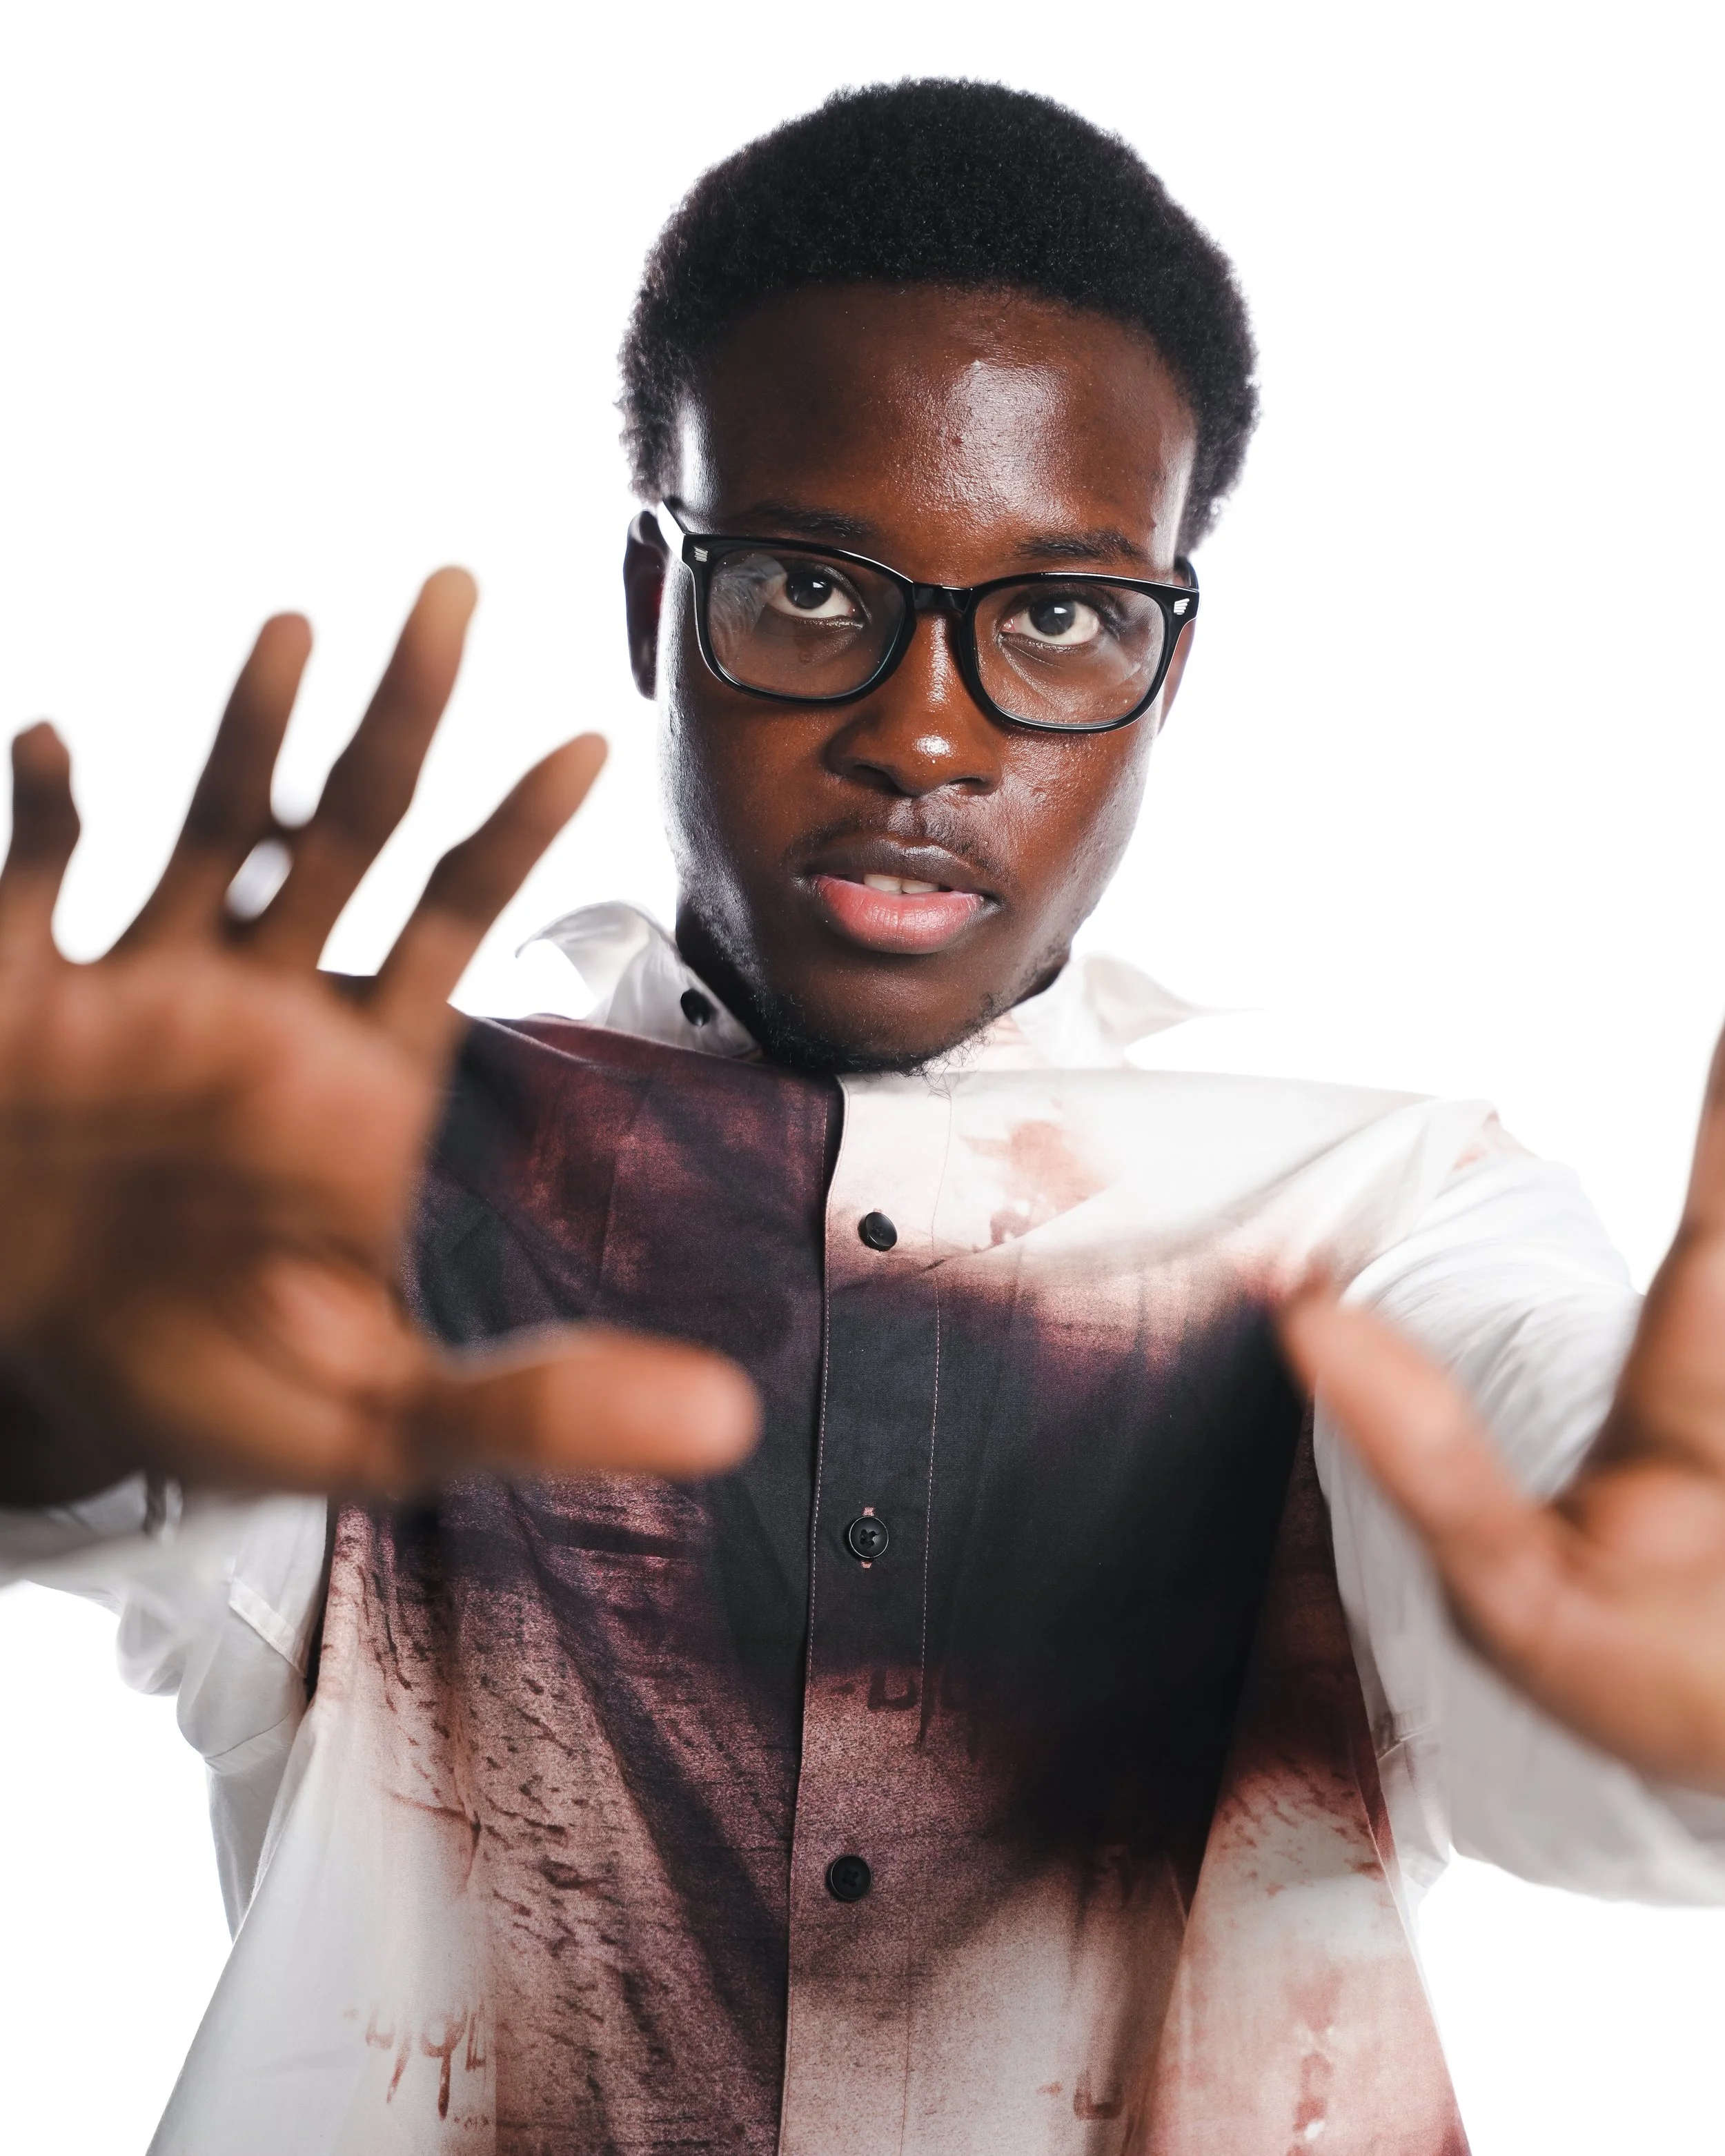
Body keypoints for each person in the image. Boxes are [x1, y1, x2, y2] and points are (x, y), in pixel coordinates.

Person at [4, 76, 1725, 2156]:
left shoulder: (1380, 1217)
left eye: (1064, 612)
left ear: (1167, 666)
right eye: (810, 586)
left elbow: (1588, 1634)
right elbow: (95, 1443)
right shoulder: (348, 1177)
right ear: (656, 604)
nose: (923, 727)